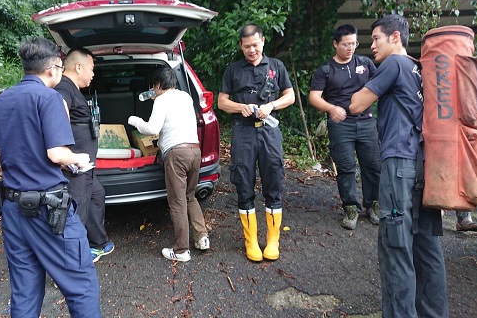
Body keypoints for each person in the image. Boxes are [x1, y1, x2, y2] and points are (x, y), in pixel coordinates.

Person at [0, 37, 101, 317]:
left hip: (12, 209)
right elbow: (56, 154)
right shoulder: (49, 98)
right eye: (61, 69)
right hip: (48, 211)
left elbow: (11, 151)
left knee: (25, 291)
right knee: (81, 285)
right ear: (52, 69)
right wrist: (78, 159)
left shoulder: (2, 101)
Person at [350, 14, 447, 317]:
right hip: (422, 166)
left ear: (395, 37)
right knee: (426, 247)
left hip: (398, 167)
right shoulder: (419, 69)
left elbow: (356, 104)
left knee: (396, 247)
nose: (372, 46)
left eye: (376, 38)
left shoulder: (394, 64)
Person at [218, 24, 295, 262]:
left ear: (263, 42)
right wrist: (240, 107)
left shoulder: (276, 67)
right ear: (241, 46)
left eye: (255, 45)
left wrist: (271, 105)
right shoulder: (233, 70)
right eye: (247, 46)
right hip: (243, 132)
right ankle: (251, 240)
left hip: (269, 132)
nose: (252, 50)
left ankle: (273, 241)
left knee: (274, 180)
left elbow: (290, 96)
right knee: (243, 181)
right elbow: (221, 102)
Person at [127, 67, 209, 262]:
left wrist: (134, 120)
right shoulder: (186, 97)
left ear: (157, 85)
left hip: (177, 155)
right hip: (195, 151)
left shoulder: (162, 100)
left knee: (177, 201)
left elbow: (152, 128)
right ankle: (202, 237)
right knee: (190, 196)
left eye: (153, 87)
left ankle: (181, 250)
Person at [309, 24, 381, 230]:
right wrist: (331, 108)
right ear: (335, 44)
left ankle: (373, 204)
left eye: (354, 43)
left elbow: (380, 85)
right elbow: (314, 97)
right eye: (346, 44)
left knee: (373, 164)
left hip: (367, 121)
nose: (351, 48)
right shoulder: (325, 69)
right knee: (346, 167)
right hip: (341, 124)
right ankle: (350, 206)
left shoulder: (365, 63)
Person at [54, 47, 114, 263]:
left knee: (97, 195)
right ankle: (71, 260)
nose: (93, 74)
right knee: (75, 211)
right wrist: (66, 156)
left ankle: (97, 244)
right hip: (74, 168)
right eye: (91, 69)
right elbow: (58, 111)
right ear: (78, 67)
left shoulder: (73, 88)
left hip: (86, 168)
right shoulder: (63, 89)